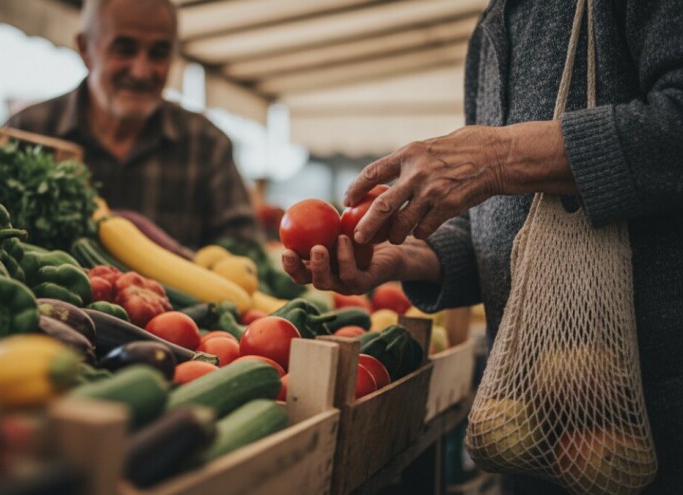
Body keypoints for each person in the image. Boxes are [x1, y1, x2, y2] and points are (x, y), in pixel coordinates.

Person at [283, 1, 683, 493]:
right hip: (530, 417)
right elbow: (500, 224)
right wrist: (410, 257)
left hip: (654, 419)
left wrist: (500, 156)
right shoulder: (494, 26)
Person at [6, 0, 258, 249]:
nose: (141, 72)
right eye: (124, 49)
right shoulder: (26, 131)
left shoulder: (207, 145)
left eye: (158, 53)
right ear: (85, 49)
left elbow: (243, 246)